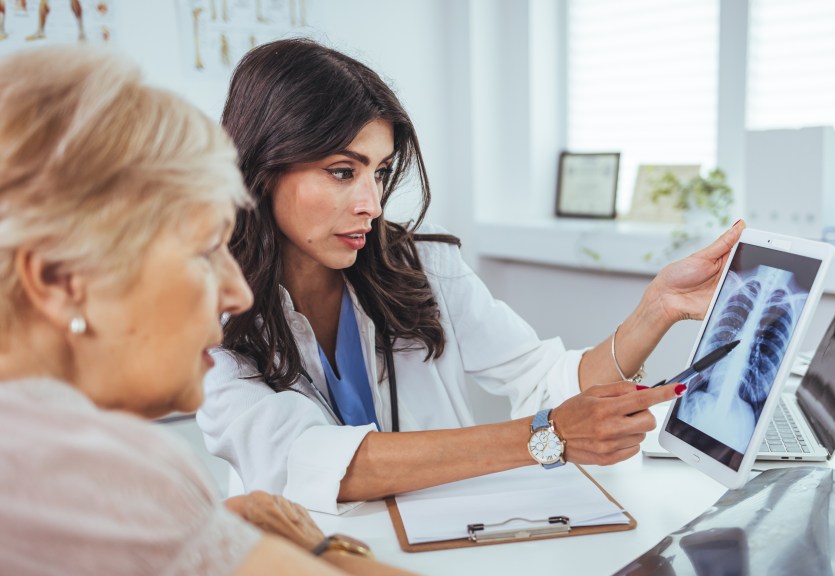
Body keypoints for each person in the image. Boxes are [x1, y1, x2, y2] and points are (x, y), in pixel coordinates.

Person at [198, 38, 745, 515]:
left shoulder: (417, 262)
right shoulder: (206, 308)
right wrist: (544, 437)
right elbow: (305, 459)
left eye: (381, 172)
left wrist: (658, 309)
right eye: (343, 172)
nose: (371, 203)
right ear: (264, 167)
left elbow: (540, 379)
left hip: (445, 541)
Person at [0, 45, 412, 576]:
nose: (235, 294)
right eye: (203, 251)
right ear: (59, 280)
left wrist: (203, 539)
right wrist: (318, 549)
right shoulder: (87, 469)